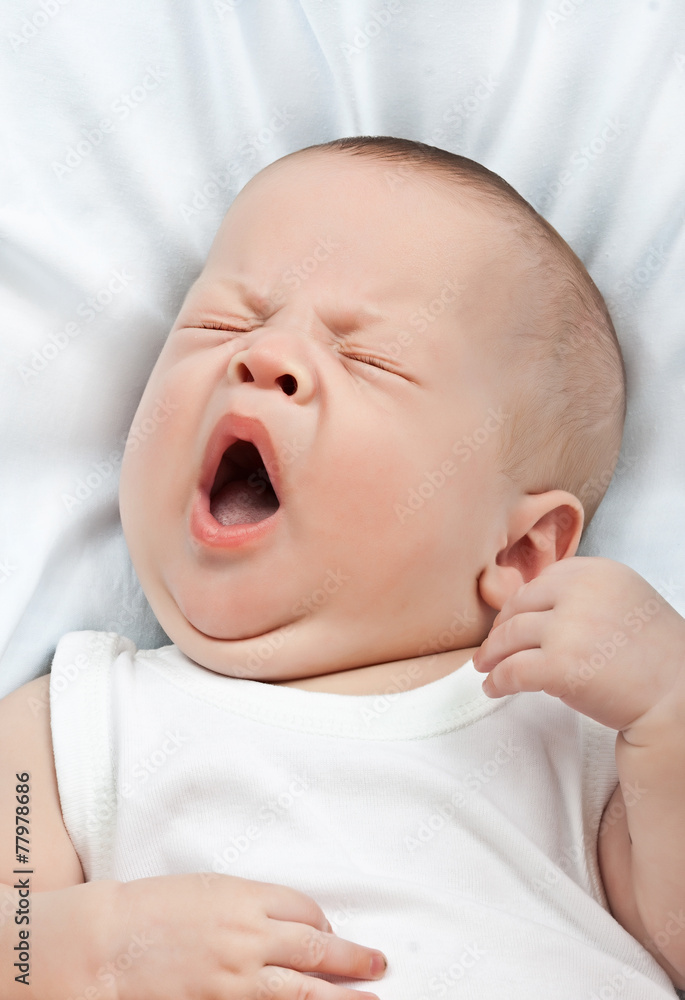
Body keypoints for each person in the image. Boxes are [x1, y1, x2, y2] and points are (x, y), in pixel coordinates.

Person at [1, 136, 684, 1000]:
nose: (265, 357)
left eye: (370, 359)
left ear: (517, 553)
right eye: (226, 322)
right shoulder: (75, 726)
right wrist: (95, 952)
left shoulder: (569, 724)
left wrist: (671, 713)